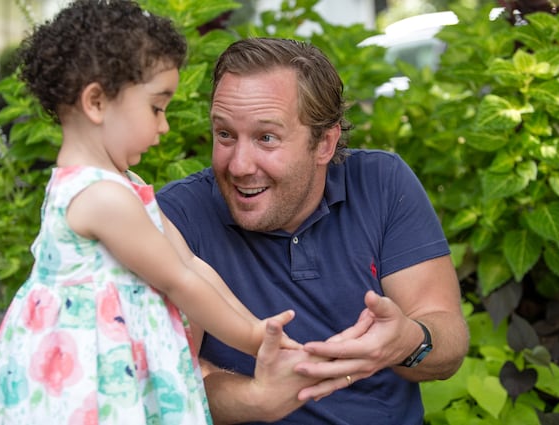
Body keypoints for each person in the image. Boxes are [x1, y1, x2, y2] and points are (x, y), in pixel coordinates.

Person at [0, 5, 300, 425]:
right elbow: (179, 280)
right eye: (156, 107)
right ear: (96, 102)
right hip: (88, 379)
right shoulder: (99, 198)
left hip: (118, 368)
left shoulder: (122, 184)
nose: (164, 126)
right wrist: (254, 340)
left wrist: (259, 327)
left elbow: (190, 263)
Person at [157, 37, 470, 425]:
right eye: (225, 134)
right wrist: (257, 398)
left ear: (324, 142)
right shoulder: (176, 218)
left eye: (265, 137)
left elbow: (446, 338)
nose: (238, 165)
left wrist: (407, 342)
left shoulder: (381, 183)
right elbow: (168, 383)